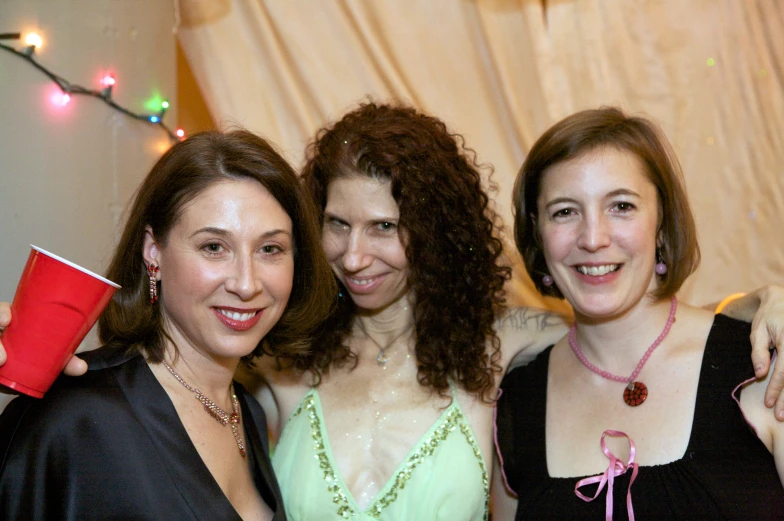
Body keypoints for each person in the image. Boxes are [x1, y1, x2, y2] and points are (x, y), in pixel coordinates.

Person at [240, 102, 782, 521]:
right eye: (337, 224)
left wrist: (760, 302)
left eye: (384, 226)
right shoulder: (280, 359)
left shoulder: (496, 344)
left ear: (433, 230)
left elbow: (636, 327)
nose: (354, 256)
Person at [0, 129, 336, 520]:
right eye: (214, 247)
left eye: (270, 249)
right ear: (153, 251)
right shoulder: (75, 418)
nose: (247, 284)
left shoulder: (247, 411)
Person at [494, 107, 784, 520]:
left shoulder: (759, 366)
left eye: (621, 206)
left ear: (662, 224)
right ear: (538, 235)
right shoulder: (517, 402)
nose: (593, 238)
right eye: (564, 211)